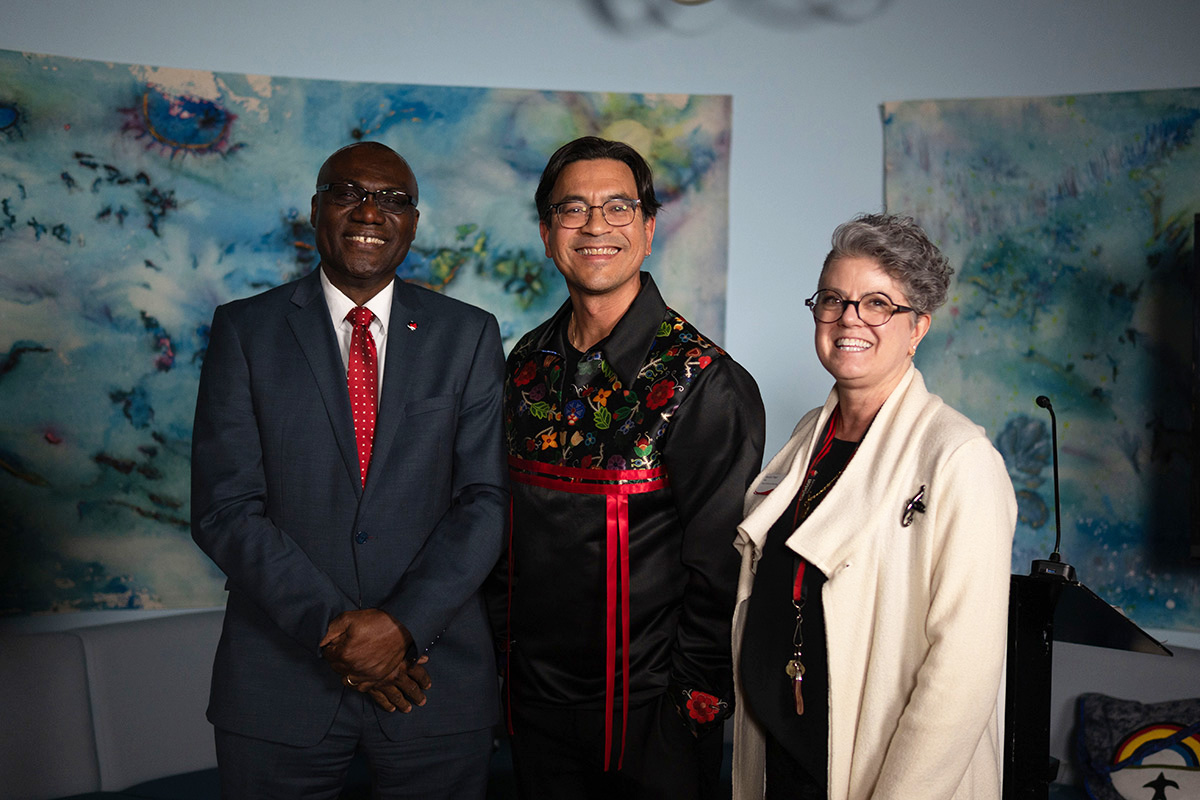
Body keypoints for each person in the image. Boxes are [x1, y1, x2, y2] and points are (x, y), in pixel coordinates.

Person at [190, 141, 507, 799]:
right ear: (316, 209)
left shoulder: (469, 335)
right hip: (279, 683)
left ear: (414, 223)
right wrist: (340, 634)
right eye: (348, 191)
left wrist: (402, 627)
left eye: (393, 199)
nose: (370, 211)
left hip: (433, 680)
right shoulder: (245, 331)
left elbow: (485, 500)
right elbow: (225, 506)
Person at [491, 135, 766, 800]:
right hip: (529, 705)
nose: (595, 227)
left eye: (617, 208)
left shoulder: (704, 381)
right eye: (573, 209)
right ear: (547, 233)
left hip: (652, 719)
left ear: (647, 230)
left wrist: (691, 707)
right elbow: (498, 531)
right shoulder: (526, 364)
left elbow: (720, 568)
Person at [732, 213, 1017, 800]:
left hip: (878, 773)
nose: (849, 319)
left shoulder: (959, 457)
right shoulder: (811, 435)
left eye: (878, 304)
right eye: (833, 300)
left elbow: (962, 675)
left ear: (918, 328)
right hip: (785, 756)